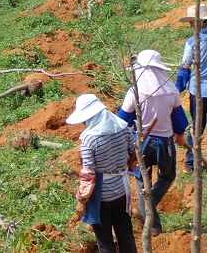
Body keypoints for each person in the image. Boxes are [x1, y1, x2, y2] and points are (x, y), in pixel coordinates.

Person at [117, 49, 188, 237]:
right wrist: (180, 134)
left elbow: (122, 119)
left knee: (142, 181)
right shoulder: (170, 91)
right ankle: (148, 209)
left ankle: (150, 218)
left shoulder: (134, 92)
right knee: (166, 177)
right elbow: (179, 120)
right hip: (164, 143)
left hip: (141, 143)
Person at [66, 94, 137, 253]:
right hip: (122, 191)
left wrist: (82, 201)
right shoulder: (123, 128)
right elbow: (133, 156)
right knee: (126, 234)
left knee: (105, 241)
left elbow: (89, 174)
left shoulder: (89, 139)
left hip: (102, 196)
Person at [175, 4, 207, 173]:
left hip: (199, 92)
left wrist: (176, 90)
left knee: (197, 127)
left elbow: (185, 68)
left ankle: (190, 164)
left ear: (197, 23)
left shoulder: (192, 43)